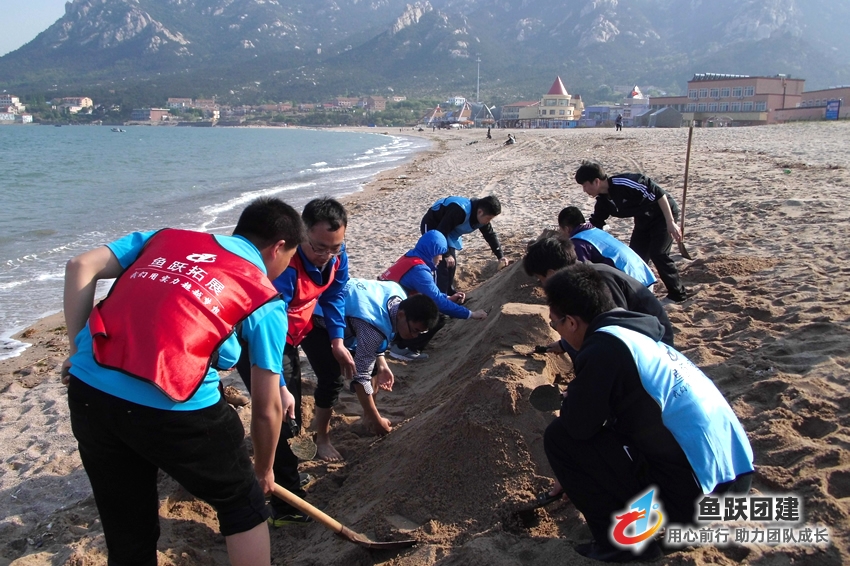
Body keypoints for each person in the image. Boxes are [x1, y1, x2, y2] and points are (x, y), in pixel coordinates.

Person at [62, 197, 306, 566]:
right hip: (176, 407)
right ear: (279, 248)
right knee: (243, 506)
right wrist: (263, 471)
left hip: (89, 392)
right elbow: (267, 407)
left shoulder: (165, 238)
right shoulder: (264, 297)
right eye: (290, 259)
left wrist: (78, 346)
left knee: (128, 528)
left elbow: (80, 265)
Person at [542, 265, 754, 562]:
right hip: (735, 477)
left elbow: (577, 427)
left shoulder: (603, 349)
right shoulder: (634, 332)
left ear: (573, 323)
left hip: (700, 498)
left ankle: (623, 544)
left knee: (559, 438)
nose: (558, 332)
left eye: (556, 324)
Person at [234, 197, 355, 526]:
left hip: (294, 333)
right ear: (301, 236)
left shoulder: (334, 255)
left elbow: (335, 294)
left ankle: (286, 475)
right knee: (281, 412)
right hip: (259, 338)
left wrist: (337, 340)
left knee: (298, 404)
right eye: (319, 247)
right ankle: (284, 507)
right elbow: (266, 325)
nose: (328, 254)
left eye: (336, 247)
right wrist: (281, 386)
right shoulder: (283, 267)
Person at [316, 278, 438, 436]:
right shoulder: (374, 328)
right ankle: (322, 438)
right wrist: (378, 421)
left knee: (372, 367)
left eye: (419, 333)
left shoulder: (398, 295)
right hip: (317, 316)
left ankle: (368, 417)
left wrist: (382, 365)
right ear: (401, 315)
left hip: (347, 312)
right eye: (414, 330)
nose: (414, 336)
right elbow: (361, 380)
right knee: (331, 381)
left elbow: (375, 338)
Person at [522, 236, 674, 349]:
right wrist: (564, 346)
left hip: (655, 342)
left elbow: (616, 326)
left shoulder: (598, 279)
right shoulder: (578, 279)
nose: (540, 284)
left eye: (539, 278)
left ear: (551, 273)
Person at [575, 161, 689, 303]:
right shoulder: (603, 202)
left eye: (585, 185)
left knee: (658, 253)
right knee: (634, 257)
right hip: (643, 219)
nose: (584, 190)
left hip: (663, 215)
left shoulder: (626, 182)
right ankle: (640, 292)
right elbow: (595, 224)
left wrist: (670, 222)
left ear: (596, 181)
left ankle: (678, 294)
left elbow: (659, 194)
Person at [379, 230, 488, 361]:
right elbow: (437, 303)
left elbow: (430, 293)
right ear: (432, 252)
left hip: (385, 306)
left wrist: (447, 297)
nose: (441, 259)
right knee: (437, 316)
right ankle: (404, 348)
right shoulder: (419, 270)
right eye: (439, 254)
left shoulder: (410, 257)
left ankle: (394, 340)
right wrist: (471, 314)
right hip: (386, 313)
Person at [421, 195, 509, 295]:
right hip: (433, 226)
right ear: (480, 212)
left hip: (449, 230)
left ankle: (449, 292)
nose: (489, 222)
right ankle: (439, 297)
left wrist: (500, 256)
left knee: (451, 264)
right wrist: (446, 254)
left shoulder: (481, 216)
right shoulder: (459, 211)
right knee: (442, 263)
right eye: (489, 218)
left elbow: (490, 235)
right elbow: (441, 232)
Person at [557, 206, 656, 288]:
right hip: (645, 277)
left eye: (560, 229)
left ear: (567, 229)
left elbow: (581, 276)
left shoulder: (578, 242)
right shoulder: (595, 231)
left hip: (634, 286)